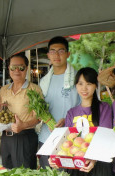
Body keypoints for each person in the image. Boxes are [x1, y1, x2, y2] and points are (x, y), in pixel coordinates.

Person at [49, 67, 113, 176]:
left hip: (98, 167)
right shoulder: (72, 112)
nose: (84, 88)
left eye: (89, 83)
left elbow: (104, 139)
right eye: (80, 84)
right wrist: (56, 159)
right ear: (75, 86)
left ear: (95, 86)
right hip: (77, 167)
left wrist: (93, 159)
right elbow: (68, 143)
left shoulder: (104, 108)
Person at [39, 36, 81, 168]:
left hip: (70, 139)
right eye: (53, 51)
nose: (56, 55)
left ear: (68, 54)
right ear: (48, 55)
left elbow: (86, 106)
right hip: (46, 138)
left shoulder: (78, 78)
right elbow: (40, 108)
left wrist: (68, 119)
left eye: (61, 51)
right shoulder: (43, 81)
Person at [0, 53, 42, 169]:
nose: (17, 70)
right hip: (6, 138)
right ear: (9, 68)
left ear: (26, 68)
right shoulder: (3, 90)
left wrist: (23, 125)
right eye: (13, 67)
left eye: (21, 67)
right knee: (6, 172)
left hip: (24, 137)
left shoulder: (34, 89)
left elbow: (39, 117)